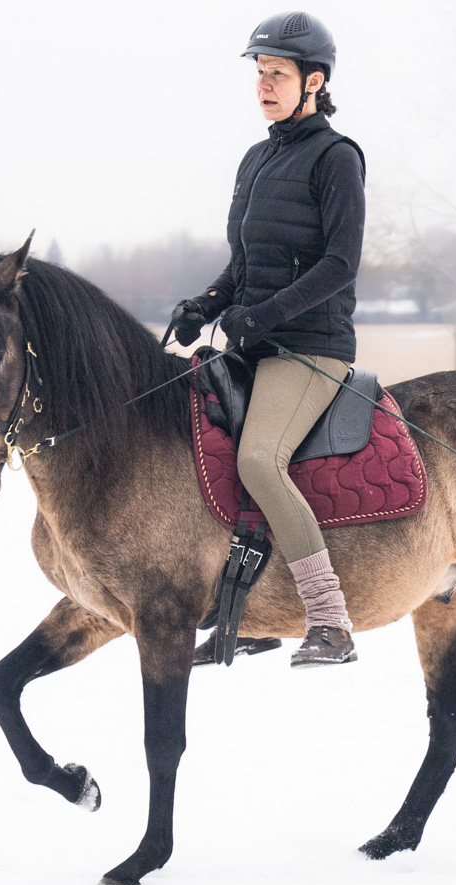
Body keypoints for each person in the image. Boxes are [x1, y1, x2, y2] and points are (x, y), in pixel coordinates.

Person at [169, 11, 365, 667]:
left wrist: (269, 314)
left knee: (258, 461)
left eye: (277, 74)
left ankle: (331, 621)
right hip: (256, 342)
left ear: (314, 81)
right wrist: (209, 303)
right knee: (203, 446)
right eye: (259, 74)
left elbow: (340, 264)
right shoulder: (256, 159)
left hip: (311, 348)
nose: (264, 85)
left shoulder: (337, 158)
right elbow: (244, 263)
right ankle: (251, 608)